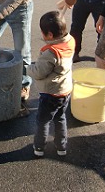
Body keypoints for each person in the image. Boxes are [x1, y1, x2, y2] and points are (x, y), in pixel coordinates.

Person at [27, 11, 75, 157]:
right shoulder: (70, 41)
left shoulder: (51, 53)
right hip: (65, 91)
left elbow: (38, 72)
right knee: (60, 118)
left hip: (50, 94)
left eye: (43, 33)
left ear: (50, 35)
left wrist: (27, 68)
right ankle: (62, 147)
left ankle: (39, 147)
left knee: (43, 121)